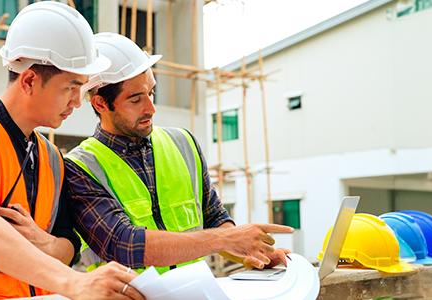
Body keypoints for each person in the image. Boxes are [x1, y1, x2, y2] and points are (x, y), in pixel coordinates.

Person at [0, 3, 143, 300]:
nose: (77, 102)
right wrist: (75, 283)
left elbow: (68, 244)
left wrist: (48, 245)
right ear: (29, 80)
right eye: (71, 88)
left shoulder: (53, 159)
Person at [65, 32, 293, 275]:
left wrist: (249, 251)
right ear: (101, 104)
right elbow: (125, 244)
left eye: (151, 93)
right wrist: (226, 239)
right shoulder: (79, 167)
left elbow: (213, 217)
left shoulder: (184, 142)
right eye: (136, 99)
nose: (151, 108)